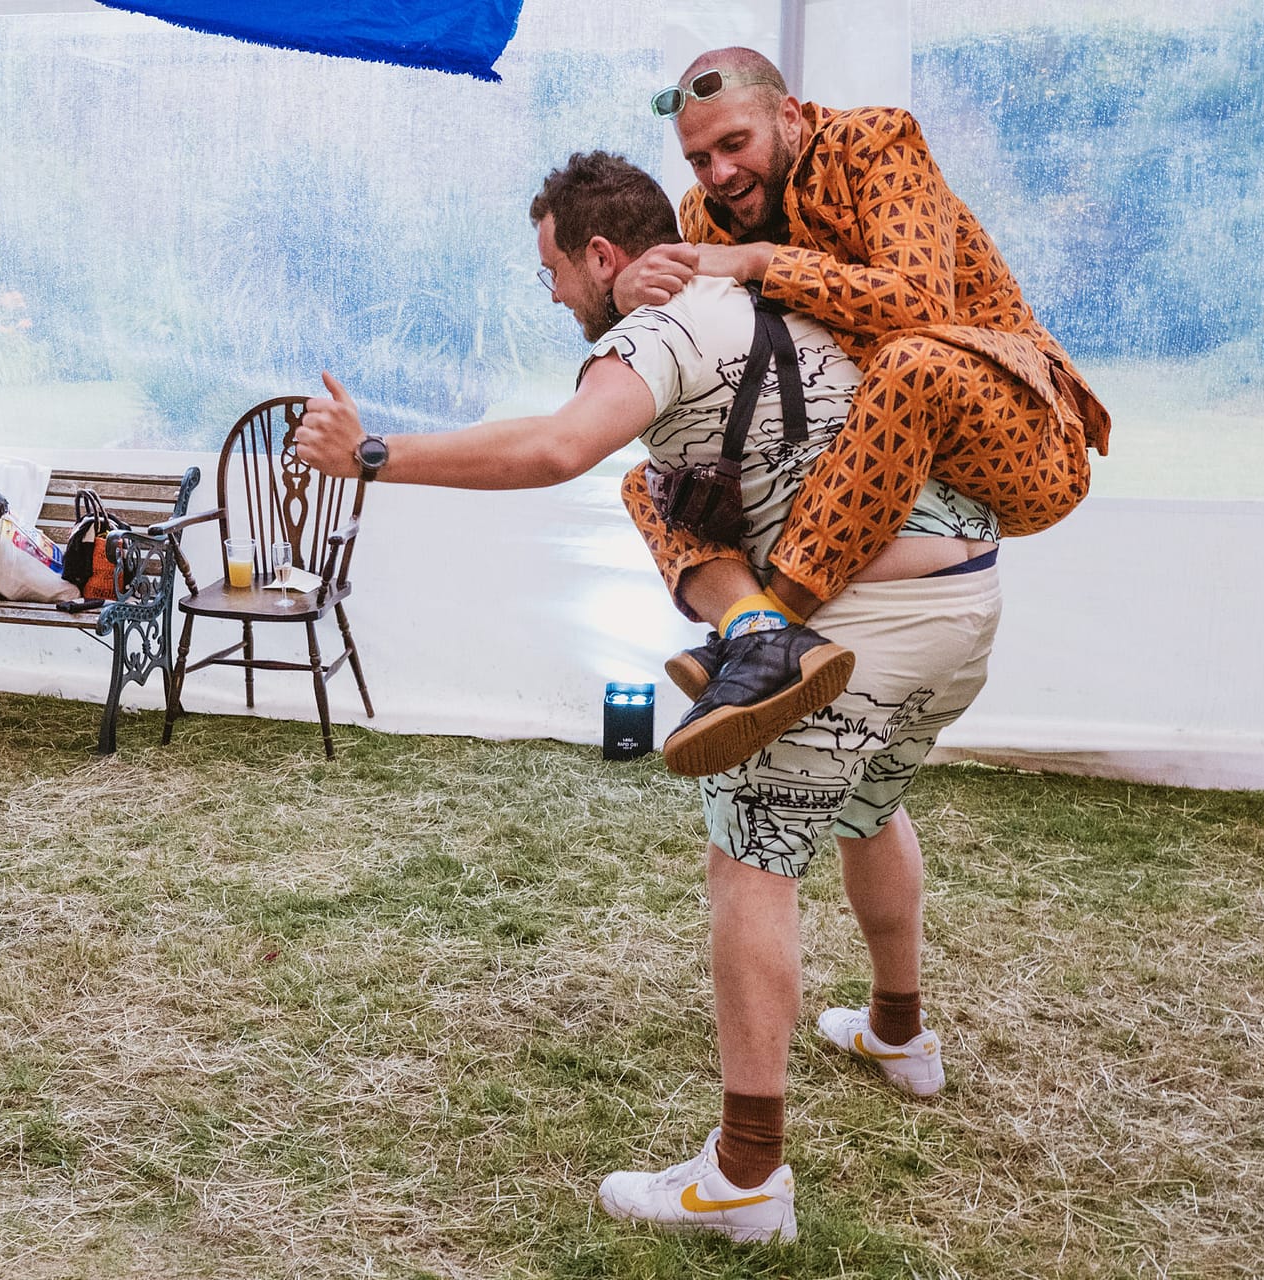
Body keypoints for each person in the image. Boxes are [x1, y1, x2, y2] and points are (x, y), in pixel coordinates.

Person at [297, 152, 1001, 1245]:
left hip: (869, 621)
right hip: (965, 599)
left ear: (602, 256)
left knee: (748, 850)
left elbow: (553, 446)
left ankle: (745, 1178)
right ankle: (899, 1033)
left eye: (554, 271)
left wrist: (373, 454)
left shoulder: (657, 330)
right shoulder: (770, 290)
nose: (553, 295)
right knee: (864, 798)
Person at [627, 48, 1110, 778]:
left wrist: (760, 262)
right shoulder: (705, 215)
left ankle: (765, 639)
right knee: (650, 478)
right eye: (699, 159)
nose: (719, 174)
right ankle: (746, 623)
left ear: (788, 117)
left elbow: (920, 307)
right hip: (851, 442)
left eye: (735, 144)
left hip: (1022, 437)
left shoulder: (877, 141)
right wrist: (633, 284)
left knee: (908, 362)